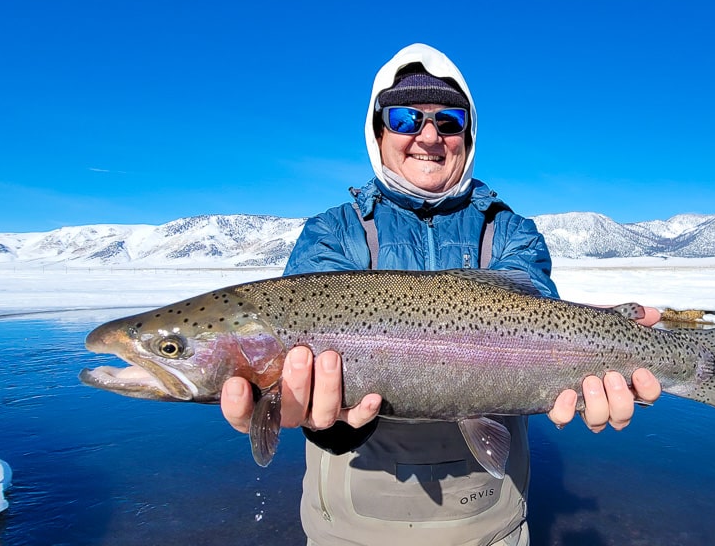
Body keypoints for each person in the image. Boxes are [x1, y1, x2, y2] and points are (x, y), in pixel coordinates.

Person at [218, 43, 662, 546]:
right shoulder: (333, 234)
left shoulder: (510, 232)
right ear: (378, 130)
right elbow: (306, 372)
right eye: (406, 118)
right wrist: (328, 422)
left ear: (468, 136)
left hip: (491, 524)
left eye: (448, 121)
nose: (429, 137)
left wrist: (602, 341)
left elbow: (539, 318)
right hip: (352, 527)